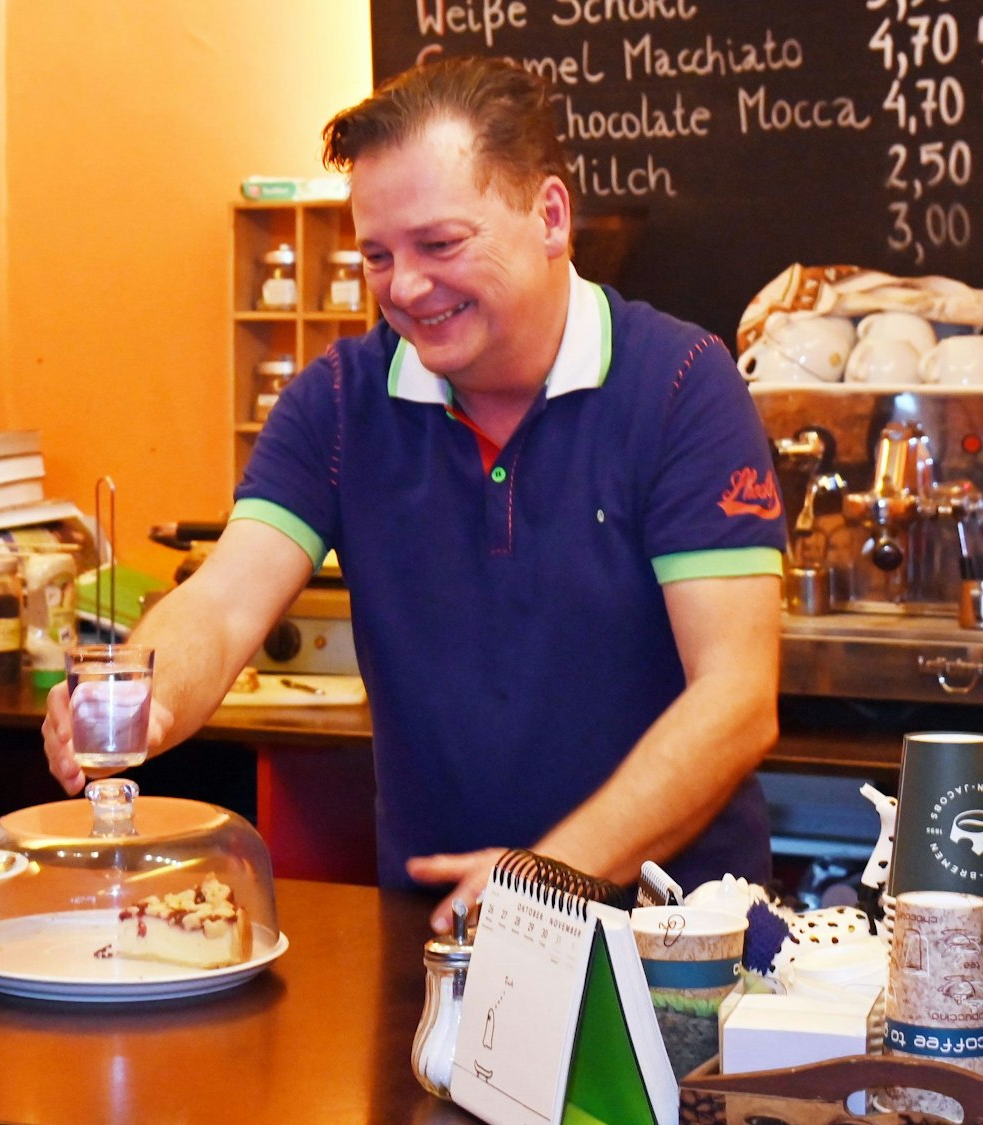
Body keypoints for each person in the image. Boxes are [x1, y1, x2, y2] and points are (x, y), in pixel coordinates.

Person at [44, 57, 785, 932]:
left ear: (550, 216)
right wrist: (145, 695)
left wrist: (549, 875)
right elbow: (222, 599)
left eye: (440, 245)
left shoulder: (680, 386)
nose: (404, 287)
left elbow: (737, 698)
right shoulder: (339, 402)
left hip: (677, 942)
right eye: (378, 255)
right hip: (441, 942)